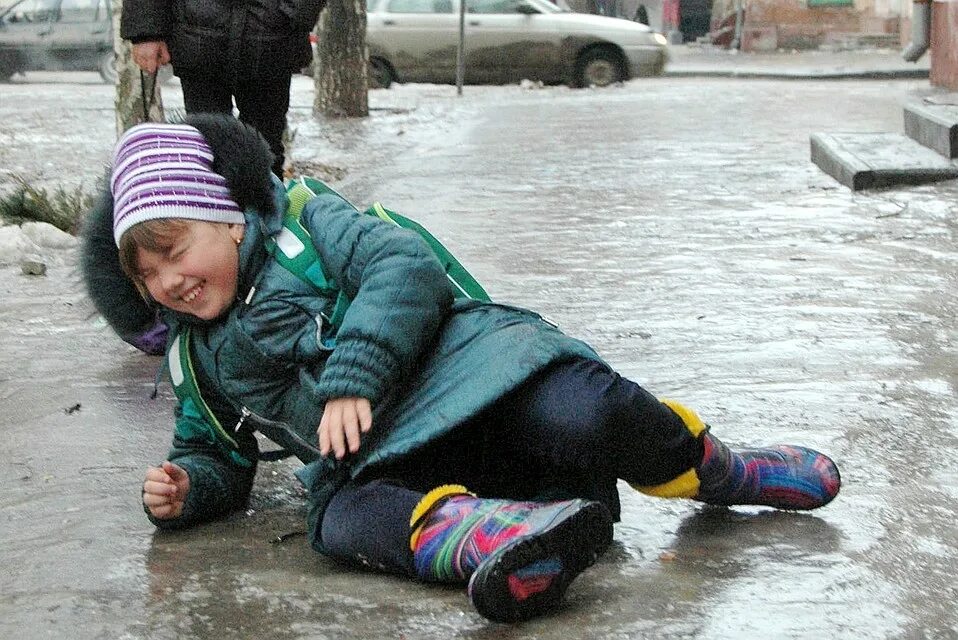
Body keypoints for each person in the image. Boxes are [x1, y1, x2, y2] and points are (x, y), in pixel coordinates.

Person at [81, 114, 841, 624]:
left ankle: (720, 471)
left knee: (590, 413)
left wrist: (356, 373)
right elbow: (214, 449)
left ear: (229, 213)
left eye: (175, 251)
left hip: (479, 383)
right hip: (403, 463)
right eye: (147, 275)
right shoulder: (195, 355)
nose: (168, 282)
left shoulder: (310, 221)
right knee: (338, 521)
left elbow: (403, 269)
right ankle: (499, 539)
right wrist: (188, 489)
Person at [119, 0, 325, 178]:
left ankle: (263, 222)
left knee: (265, 154)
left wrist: (297, 12)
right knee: (206, 150)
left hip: (271, 38)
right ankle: (212, 220)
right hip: (198, 37)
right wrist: (146, 32)